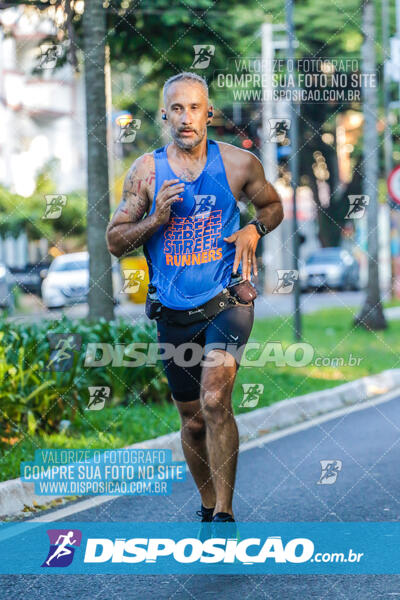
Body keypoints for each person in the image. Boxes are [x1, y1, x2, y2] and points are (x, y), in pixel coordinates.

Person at [106, 72, 283, 523]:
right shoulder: (146, 172)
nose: (186, 118)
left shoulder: (239, 164)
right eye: (177, 109)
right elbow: (114, 239)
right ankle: (207, 505)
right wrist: (156, 219)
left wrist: (253, 229)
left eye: (195, 108)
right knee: (191, 419)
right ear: (165, 114)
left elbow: (273, 206)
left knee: (214, 401)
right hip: (172, 309)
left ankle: (225, 512)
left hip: (229, 299)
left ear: (209, 113)